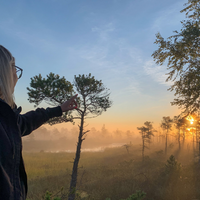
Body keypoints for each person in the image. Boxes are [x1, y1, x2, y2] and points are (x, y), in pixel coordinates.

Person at [0, 45, 78, 200]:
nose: (16, 76)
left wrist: (58, 109)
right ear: (4, 72)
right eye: (14, 69)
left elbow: (25, 122)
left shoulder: (6, 116)